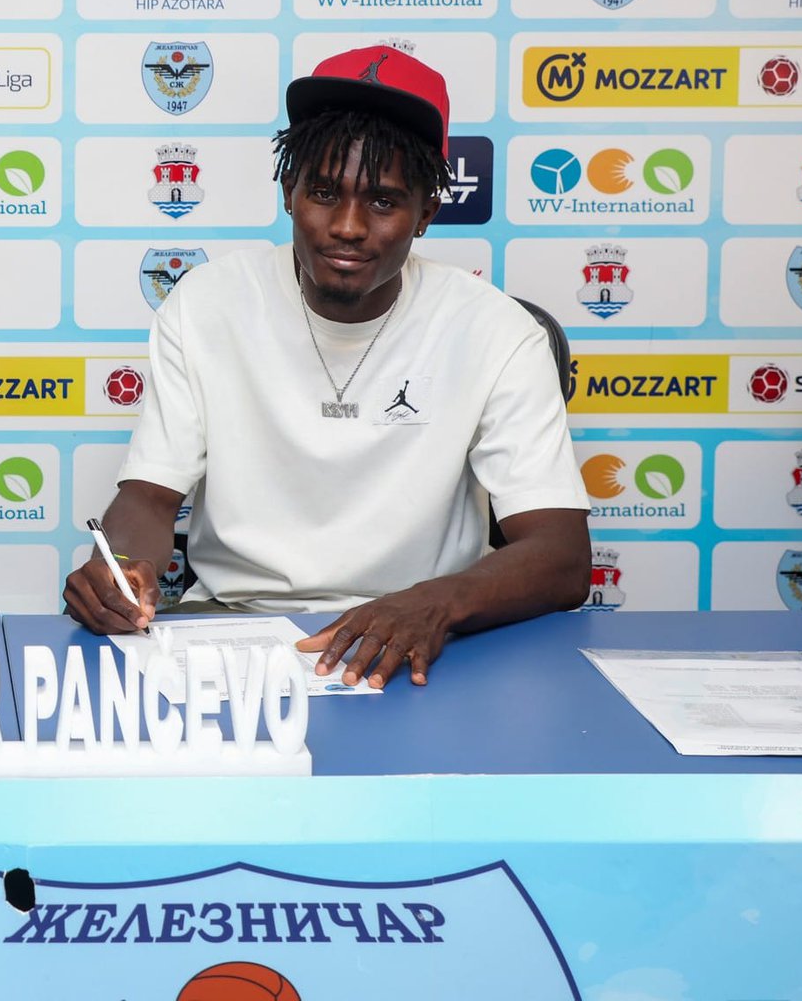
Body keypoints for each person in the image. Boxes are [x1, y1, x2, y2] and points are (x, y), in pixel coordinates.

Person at [64, 46, 591, 687]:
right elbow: (149, 497)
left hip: (427, 638)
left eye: (383, 202)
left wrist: (434, 604)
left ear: (426, 213)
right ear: (290, 192)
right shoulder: (207, 305)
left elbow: (562, 557)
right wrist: (120, 568)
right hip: (236, 628)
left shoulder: (496, 330)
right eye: (322, 192)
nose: (347, 226)